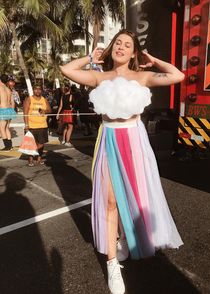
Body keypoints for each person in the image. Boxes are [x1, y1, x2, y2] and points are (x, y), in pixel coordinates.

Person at [60, 29, 185, 294]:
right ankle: (112, 264)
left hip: (135, 140)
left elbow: (178, 75)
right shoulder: (99, 76)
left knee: (134, 196)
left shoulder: (143, 76)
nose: (121, 47)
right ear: (111, 48)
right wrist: (88, 57)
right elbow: (66, 69)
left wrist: (153, 59)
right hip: (109, 139)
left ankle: (126, 238)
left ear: (133, 52)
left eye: (127, 44)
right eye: (117, 42)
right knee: (109, 201)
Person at [23, 84, 51, 166]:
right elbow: (25, 113)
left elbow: (50, 110)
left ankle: (39, 158)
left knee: (41, 144)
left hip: (42, 125)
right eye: (36, 89)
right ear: (33, 90)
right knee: (31, 143)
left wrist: (44, 111)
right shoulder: (29, 99)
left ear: (41, 90)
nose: (37, 91)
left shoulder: (44, 100)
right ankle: (30, 160)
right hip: (31, 125)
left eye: (39, 89)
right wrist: (26, 125)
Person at [0, 74, 16, 151]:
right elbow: (12, 102)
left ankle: (7, 146)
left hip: (2, 110)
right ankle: (10, 146)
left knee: (2, 129)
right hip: (9, 110)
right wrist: (12, 111)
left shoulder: (0, 88)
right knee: (6, 128)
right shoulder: (8, 89)